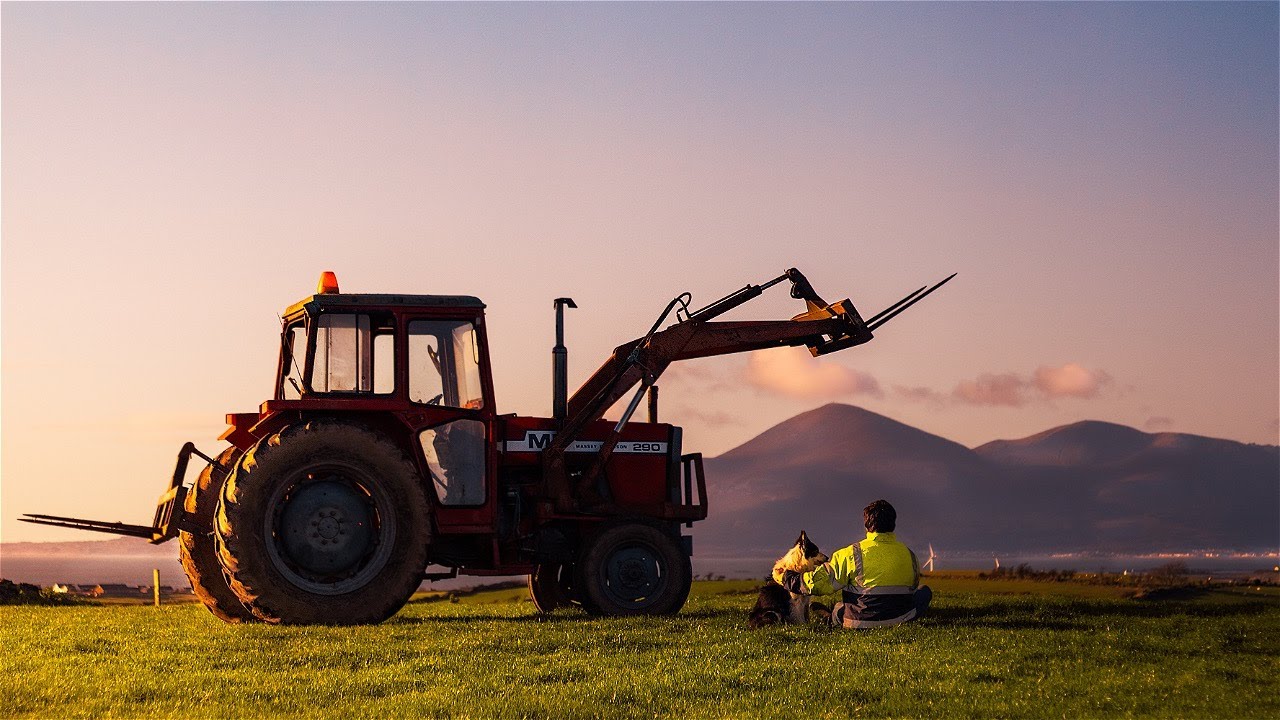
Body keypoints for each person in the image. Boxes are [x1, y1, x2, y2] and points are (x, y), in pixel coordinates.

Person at [780, 499, 932, 628]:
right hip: (902, 619)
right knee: (924, 591)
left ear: (866, 526)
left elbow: (816, 584)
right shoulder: (910, 555)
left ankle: (831, 616)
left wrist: (786, 576)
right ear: (893, 525)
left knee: (840, 607)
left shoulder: (851, 553)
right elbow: (911, 589)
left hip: (861, 622)